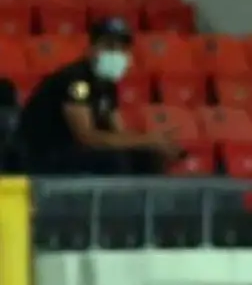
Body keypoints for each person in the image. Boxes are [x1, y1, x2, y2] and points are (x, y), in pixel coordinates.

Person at [17, 17, 182, 174]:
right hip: (47, 153)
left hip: (76, 152)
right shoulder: (77, 81)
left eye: (121, 48)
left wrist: (153, 143)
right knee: (113, 160)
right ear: (91, 49)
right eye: (109, 46)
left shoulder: (107, 84)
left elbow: (118, 132)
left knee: (147, 157)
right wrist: (147, 140)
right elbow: (86, 137)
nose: (116, 53)